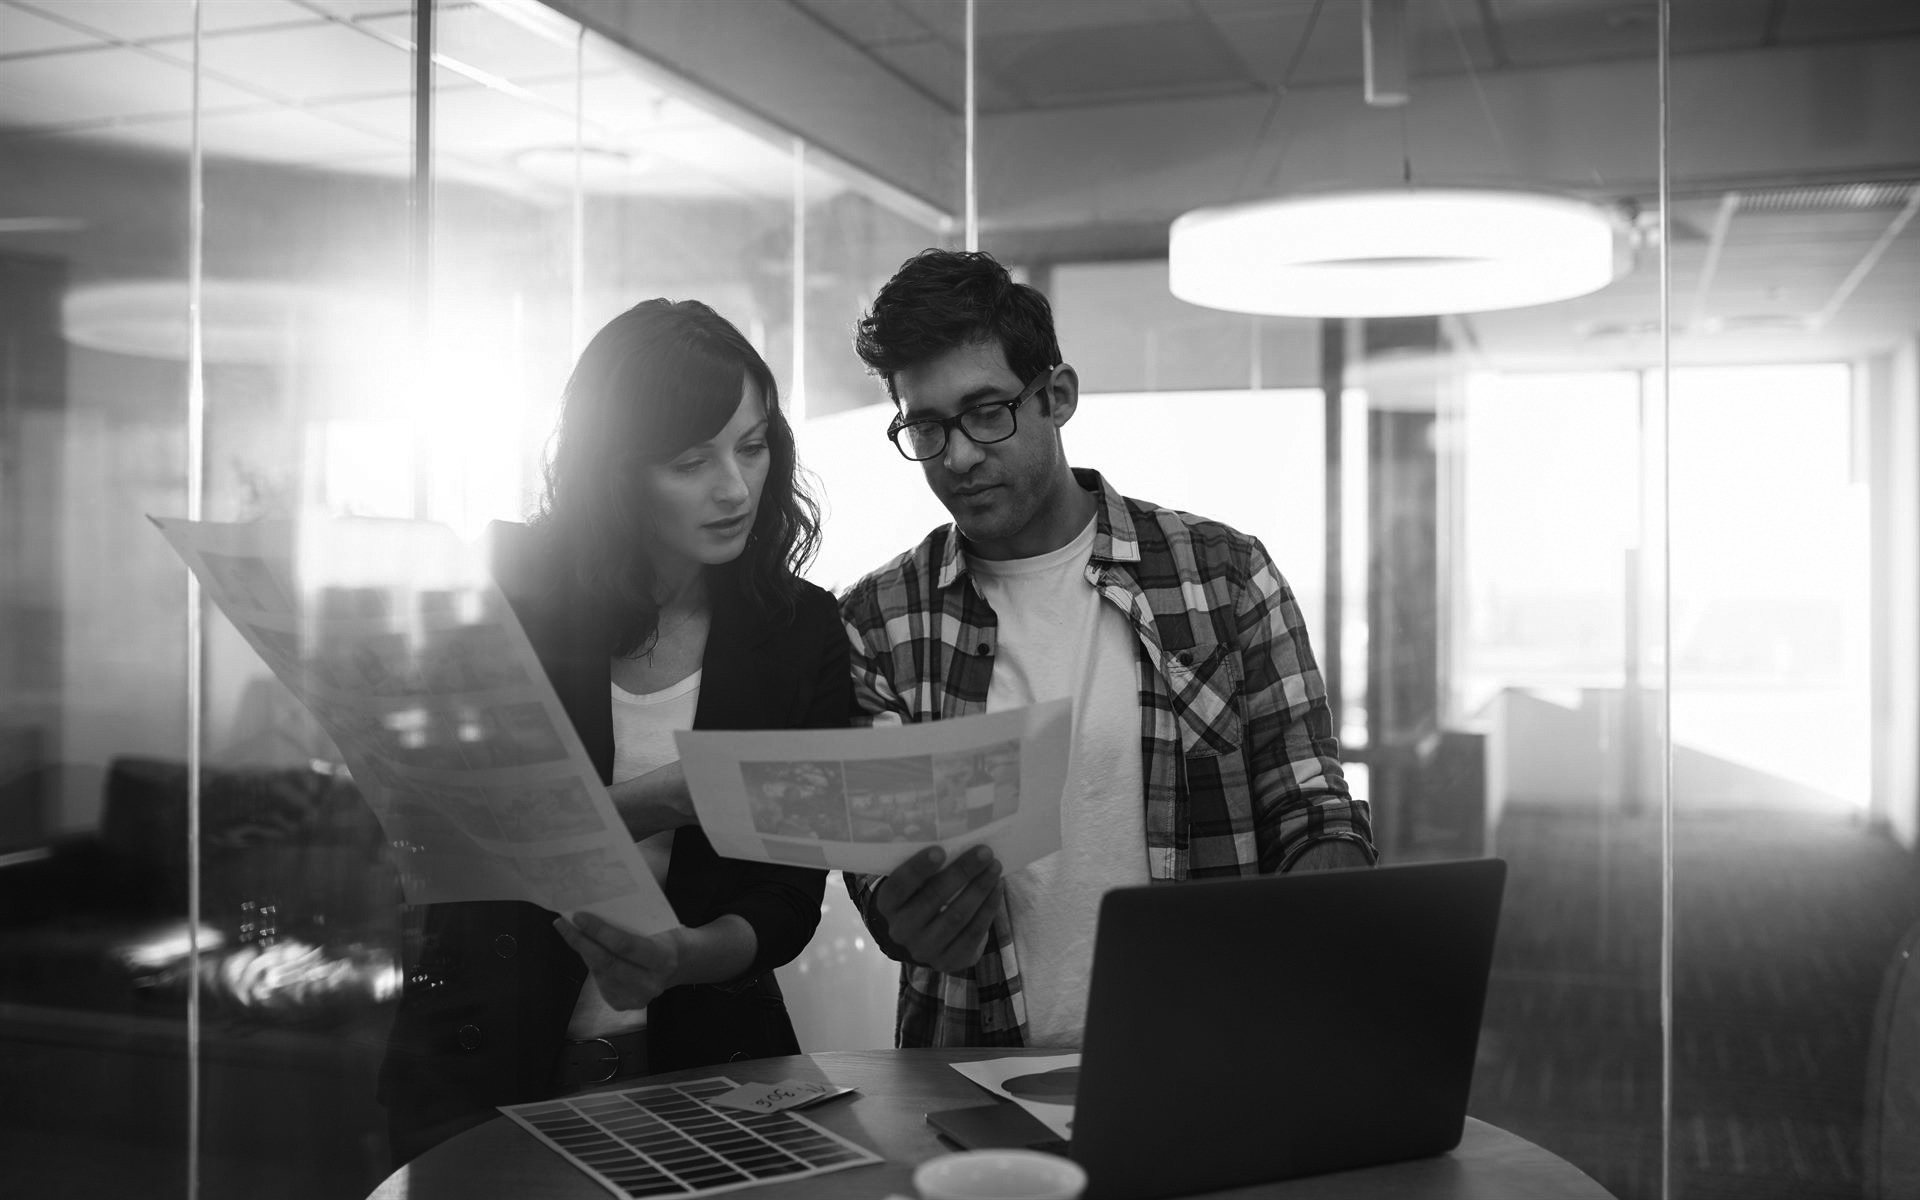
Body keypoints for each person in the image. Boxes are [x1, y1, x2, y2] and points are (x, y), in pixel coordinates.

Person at [839, 249, 1376, 1049]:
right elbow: (880, 871)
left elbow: (1313, 809)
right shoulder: (879, 620)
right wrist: (906, 911)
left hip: (1208, 1055)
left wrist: (1313, 916)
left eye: (987, 413)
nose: (956, 456)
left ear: (1057, 396)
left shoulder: (1223, 575)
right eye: (926, 426)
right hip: (974, 1075)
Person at [379, 299, 852, 1161]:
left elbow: (787, 898)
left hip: (710, 1062)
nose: (735, 488)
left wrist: (686, 955)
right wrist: (661, 798)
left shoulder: (799, 629)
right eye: (690, 460)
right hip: (489, 1055)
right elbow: (452, 841)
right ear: (615, 471)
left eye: (753, 447)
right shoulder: (507, 592)